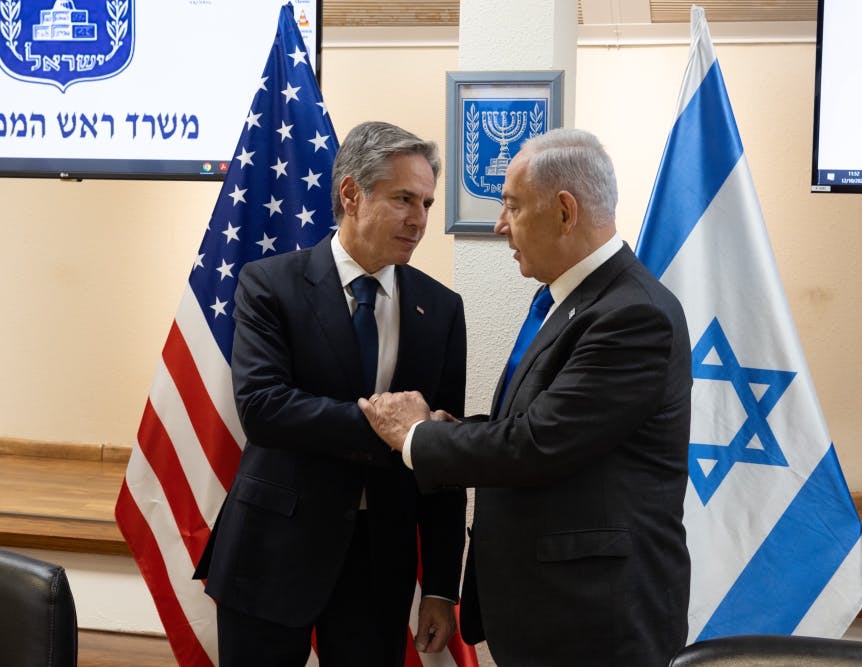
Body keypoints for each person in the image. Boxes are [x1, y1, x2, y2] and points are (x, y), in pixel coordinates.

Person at [360, 127, 692, 665]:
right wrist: (450, 427)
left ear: (564, 212)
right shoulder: (570, 300)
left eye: (511, 207)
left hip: (595, 620)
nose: (500, 225)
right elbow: (533, 420)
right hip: (549, 607)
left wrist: (417, 436)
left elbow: (538, 443)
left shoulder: (633, 315)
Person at [194, 121, 468, 666]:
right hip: (273, 550)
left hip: (379, 565)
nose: (419, 220)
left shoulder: (440, 309)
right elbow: (264, 408)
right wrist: (392, 429)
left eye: (428, 204)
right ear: (351, 194)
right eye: (404, 199)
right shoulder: (269, 283)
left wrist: (441, 585)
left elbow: (442, 452)